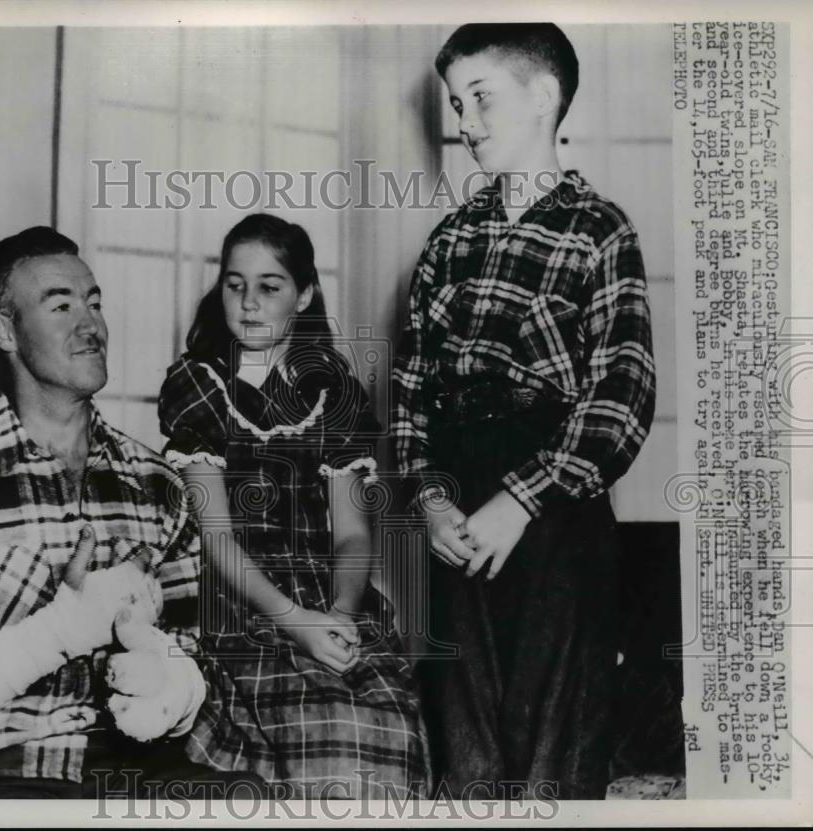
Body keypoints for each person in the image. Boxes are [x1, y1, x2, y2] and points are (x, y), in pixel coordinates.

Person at [0, 226, 260, 798]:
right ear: (4, 330)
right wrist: (59, 632)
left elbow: (207, 664)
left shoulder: (158, 483)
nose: (92, 324)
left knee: (250, 800)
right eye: (61, 305)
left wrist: (172, 686)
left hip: (132, 773)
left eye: (94, 302)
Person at [393, 24, 656, 799]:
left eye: (481, 97)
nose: (463, 121)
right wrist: (432, 497)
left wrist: (521, 500)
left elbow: (622, 396)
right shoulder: (448, 243)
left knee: (558, 725)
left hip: (557, 495)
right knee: (464, 711)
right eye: (454, 103)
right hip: (460, 484)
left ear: (543, 98)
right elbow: (411, 388)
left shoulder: (599, 230)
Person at [158, 214, 430, 799]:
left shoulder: (335, 392)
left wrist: (339, 613)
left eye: (269, 286)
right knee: (329, 731)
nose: (249, 303)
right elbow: (216, 538)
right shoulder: (198, 384)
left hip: (329, 597)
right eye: (235, 284)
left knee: (391, 724)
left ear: (303, 295)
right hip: (242, 600)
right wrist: (294, 621)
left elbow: (353, 536)